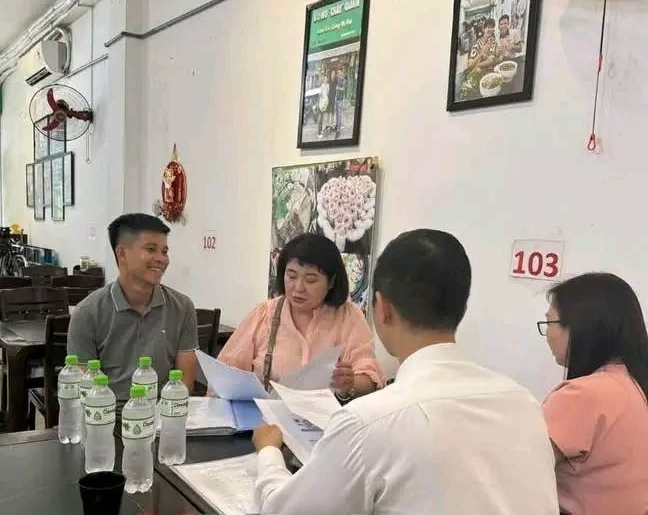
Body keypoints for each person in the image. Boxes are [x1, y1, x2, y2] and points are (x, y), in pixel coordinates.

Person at [253, 229, 558, 514]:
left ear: (382, 308)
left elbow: (283, 510)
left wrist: (268, 452)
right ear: (462, 310)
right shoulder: (524, 403)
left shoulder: (368, 423)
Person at [218, 233, 382, 400]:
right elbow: (225, 373)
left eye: (311, 280)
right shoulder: (265, 314)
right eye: (291, 276)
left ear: (332, 281)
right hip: (266, 414)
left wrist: (350, 383)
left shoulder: (348, 316)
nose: (298, 287)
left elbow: (370, 378)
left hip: (326, 415)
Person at [540, 273, 648, 514]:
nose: (547, 333)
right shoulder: (633, 385)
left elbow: (519, 469)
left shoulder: (582, 396)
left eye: (549, 322)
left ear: (581, 327)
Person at [67, 213, 198, 403]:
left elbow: (185, 382)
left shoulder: (182, 307)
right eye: (151, 249)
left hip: (163, 411)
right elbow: (84, 389)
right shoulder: (87, 312)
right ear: (122, 254)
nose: (161, 259)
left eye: (164, 251)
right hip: (106, 413)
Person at [316, 73, 330, 139]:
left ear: (327, 79)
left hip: (325, 103)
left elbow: (327, 93)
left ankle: (321, 130)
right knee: (320, 119)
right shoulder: (322, 85)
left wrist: (326, 100)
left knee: (324, 118)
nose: (325, 79)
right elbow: (320, 94)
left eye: (326, 78)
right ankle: (319, 133)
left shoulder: (328, 86)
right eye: (324, 78)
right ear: (323, 79)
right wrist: (320, 96)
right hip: (321, 104)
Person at [334, 67, 346, 137]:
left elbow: (343, 89)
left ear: (341, 72)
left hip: (341, 99)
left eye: (339, 72)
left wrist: (338, 88)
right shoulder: (337, 79)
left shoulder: (343, 80)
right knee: (337, 114)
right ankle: (337, 126)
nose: (338, 74)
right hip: (336, 98)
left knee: (339, 114)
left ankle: (338, 131)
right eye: (337, 73)